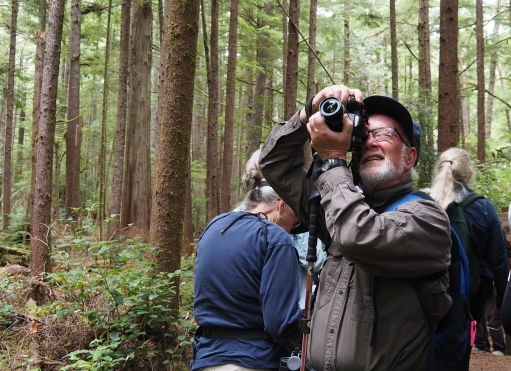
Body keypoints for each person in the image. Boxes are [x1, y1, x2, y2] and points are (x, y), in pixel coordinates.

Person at [259, 85, 452, 370]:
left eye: (384, 134)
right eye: (363, 135)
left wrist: (334, 161)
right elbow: (273, 163)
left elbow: (358, 236)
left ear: (410, 157)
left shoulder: (427, 218)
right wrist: (309, 111)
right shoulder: (338, 205)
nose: (370, 142)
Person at [191, 168, 303, 371]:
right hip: (253, 360)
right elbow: (280, 322)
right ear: (281, 205)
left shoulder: (214, 226)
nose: (291, 228)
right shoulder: (276, 239)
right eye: (293, 219)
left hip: (205, 358)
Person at [430, 148, 510, 365]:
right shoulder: (484, 209)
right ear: (469, 174)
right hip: (470, 298)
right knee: (461, 349)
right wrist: (501, 304)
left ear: (438, 171)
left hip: (427, 295)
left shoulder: (423, 203)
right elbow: (500, 263)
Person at [236, 149, 326, 310]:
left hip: (246, 313)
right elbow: (316, 260)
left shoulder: (236, 215)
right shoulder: (294, 210)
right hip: (288, 312)